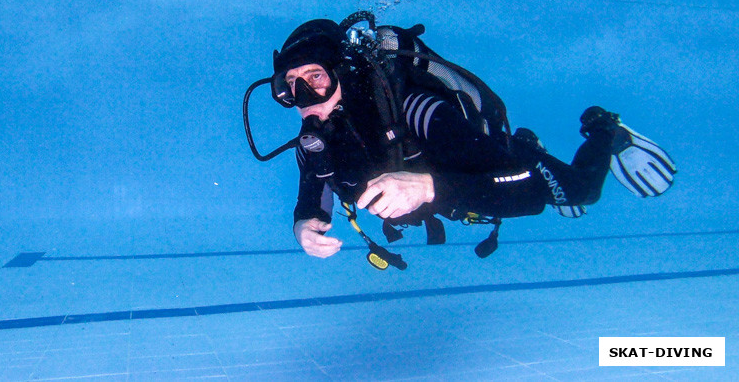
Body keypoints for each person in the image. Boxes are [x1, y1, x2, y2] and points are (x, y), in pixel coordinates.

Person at [266, 15, 677, 258]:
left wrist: (428, 186)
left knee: (581, 193)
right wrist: (304, 226)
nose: (304, 98)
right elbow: (312, 196)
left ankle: (605, 130)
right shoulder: (316, 140)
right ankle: (534, 146)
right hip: (459, 195)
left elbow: (529, 194)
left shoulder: (415, 110)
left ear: (343, 73)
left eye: (316, 77)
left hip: (499, 166)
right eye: (291, 86)